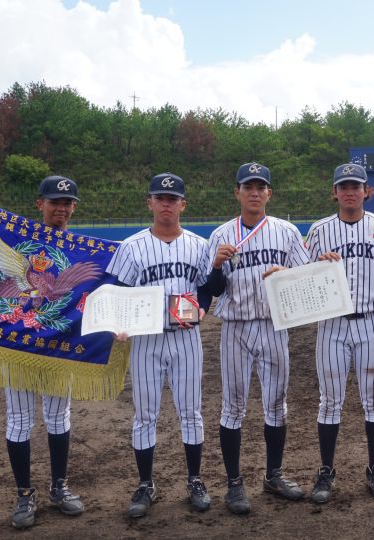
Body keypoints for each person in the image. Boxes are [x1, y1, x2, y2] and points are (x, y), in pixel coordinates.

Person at [106, 173, 215, 518]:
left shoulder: (199, 246)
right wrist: (118, 325)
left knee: (191, 411)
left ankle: (195, 479)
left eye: (173, 198)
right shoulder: (132, 246)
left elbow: (209, 286)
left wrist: (204, 308)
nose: (166, 203)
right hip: (146, 340)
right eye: (160, 197)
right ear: (150, 202)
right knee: (145, 414)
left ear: (183, 204)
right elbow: (116, 291)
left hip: (186, 338)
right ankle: (145, 484)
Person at [208, 162, 310, 515]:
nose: (254, 192)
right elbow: (212, 291)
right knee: (232, 408)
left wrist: (288, 272)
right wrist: (217, 267)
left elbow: (306, 279)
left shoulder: (286, 232)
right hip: (235, 328)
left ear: (269, 193)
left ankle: (273, 474)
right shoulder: (221, 235)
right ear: (236, 192)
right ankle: (234, 484)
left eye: (260, 187)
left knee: (276, 404)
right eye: (247, 186)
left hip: (273, 325)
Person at [304, 163, 374, 503]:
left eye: (356, 186)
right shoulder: (319, 230)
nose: (350, 191)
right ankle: (326, 469)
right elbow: (304, 281)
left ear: (366, 191)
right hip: (332, 323)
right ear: (335, 192)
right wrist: (317, 266)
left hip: (371, 320)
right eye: (343, 186)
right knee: (330, 401)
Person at [5, 176, 86, 529]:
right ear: (40, 204)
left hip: (58, 346)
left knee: (58, 417)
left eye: (67, 203)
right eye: (55, 201)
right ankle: (24, 494)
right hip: (19, 344)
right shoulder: (19, 240)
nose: (61, 208)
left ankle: (59, 486)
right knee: (20, 420)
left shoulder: (82, 247)